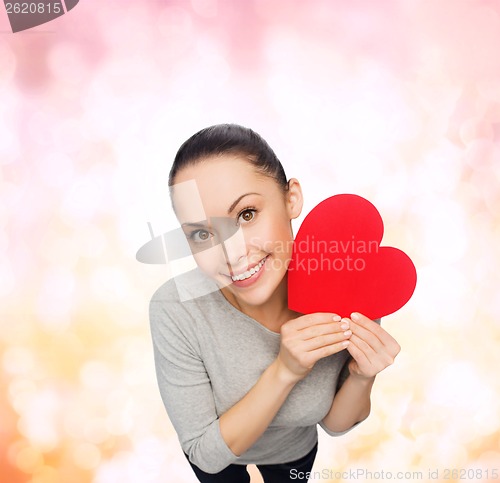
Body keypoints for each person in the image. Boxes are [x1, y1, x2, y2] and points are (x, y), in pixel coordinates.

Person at [149, 124, 401, 483]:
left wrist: (363, 376)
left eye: (247, 214)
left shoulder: (347, 285)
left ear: (291, 198)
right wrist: (285, 370)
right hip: (221, 461)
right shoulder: (175, 309)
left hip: (293, 454)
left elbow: (334, 424)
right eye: (203, 234)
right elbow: (205, 454)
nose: (233, 254)